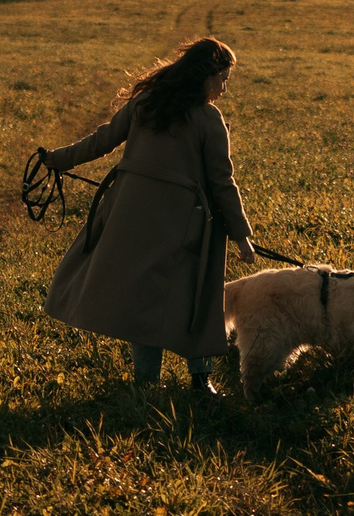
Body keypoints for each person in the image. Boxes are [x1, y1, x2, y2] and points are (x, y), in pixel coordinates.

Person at [38, 36, 257, 395]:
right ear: (206, 75)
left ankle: (146, 383)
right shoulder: (208, 118)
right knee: (198, 296)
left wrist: (57, 159)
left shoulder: (145, 103)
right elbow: (222, 181)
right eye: (223, 78)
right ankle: (201, 381)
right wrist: (241, 234)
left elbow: (101, 140)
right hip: (184, 223)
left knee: (144, 299)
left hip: (130, 215)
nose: (224, 88)